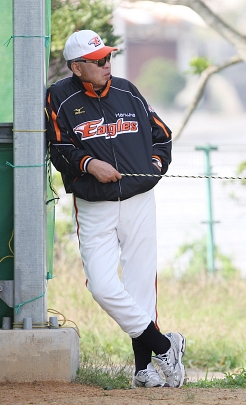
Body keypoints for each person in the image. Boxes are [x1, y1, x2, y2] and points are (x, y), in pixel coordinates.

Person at [45, 30, 184, 388]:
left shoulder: (126, 89)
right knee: (103, 285)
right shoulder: (58, 97)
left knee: (140, 287)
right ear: (78, 67)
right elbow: (59, 149)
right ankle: (165, 345)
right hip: (95, 205)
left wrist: (153, 165)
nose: (108, 65)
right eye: (99, 60)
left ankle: (143, 370)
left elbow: (163, 135)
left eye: (109, 57)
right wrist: (90, 164)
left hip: (138, 200)